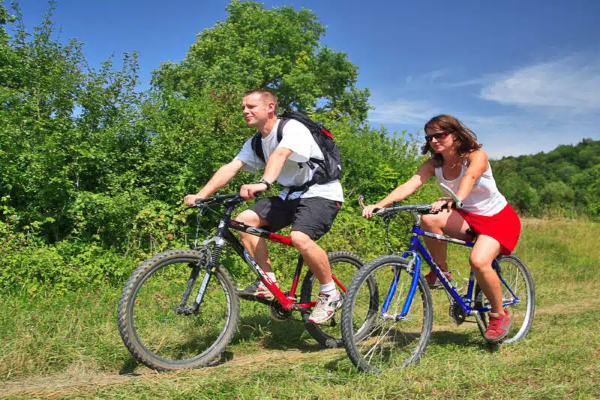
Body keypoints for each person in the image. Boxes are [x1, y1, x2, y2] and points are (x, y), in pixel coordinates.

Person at [184, 89, 344, 324]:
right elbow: (232, 167)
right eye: (243, 108)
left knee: (299, 237)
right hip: (289, 195)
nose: (245, 111)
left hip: (321, 192)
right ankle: (268, 283)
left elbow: (280, 155)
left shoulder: (291, 128)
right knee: (244, 221)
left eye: (251, 107)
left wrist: (263, 183)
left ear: (270, 108)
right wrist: (201, 195)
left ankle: (330, 293)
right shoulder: (256, 142)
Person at [362, 114, 521, 342]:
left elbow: (470, 177)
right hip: (467, 216)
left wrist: (454, 199)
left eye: (440, 135)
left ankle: (499, 314)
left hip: (497, 218)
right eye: (430, 137)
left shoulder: (476, 156)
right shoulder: (433, 164)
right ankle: (441, 272)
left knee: (478, 261)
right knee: (429, 219)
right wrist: (380, 205)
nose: (434, 141)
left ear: (456, 134)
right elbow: (411, 184)